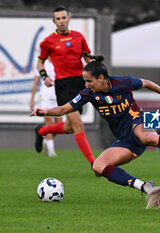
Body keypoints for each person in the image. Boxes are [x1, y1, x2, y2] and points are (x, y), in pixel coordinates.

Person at [30, 60, 160, 194]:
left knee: (147, 137)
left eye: (89, 81)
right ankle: (144, 187)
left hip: (140, 119)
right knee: (98, 166)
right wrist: (44, 112)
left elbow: (147, 83)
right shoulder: (88, 94)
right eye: (84, 81)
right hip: (124, 139)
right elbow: (63, 109)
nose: (86, 85)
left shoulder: (123, 82)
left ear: (101, 78)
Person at [35, 5, 96, 165]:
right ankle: (94, 163)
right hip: (63, 85)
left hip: (80, 83)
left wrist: (95, 67)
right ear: (54, 21)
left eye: (64, 18)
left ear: (68, 19)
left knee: (69, 127)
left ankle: (41, 131)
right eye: (58, 19)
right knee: (78, 124)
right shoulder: (48, 42)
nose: (61, 21)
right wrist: (45, 77)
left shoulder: (78, 37)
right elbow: (40, 63)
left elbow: (87, 58)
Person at [30, 58, 62, 156]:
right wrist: (32, 98)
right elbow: (35, 82)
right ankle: (51, 152)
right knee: (49, 122)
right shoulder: (42, 65)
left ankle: (44, 138)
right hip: (46, 96)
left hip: (57, 97)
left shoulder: (59, 63)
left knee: (59, 125)